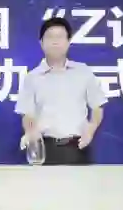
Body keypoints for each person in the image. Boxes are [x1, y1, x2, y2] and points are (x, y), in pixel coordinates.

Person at [15, 17, 106, 165]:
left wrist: (91, 128)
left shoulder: (83, 71)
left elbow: (97, 107)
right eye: (50, 37)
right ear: (41, 43)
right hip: (46, 148)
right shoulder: (32, 77)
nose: (55, 42)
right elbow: (27, 114)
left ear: (68, 42)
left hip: (78, 146)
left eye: (60, 37)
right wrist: (31, 132)